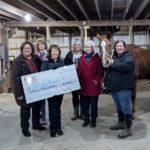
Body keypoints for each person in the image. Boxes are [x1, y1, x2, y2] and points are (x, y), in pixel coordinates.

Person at [12, 41, 46, 137]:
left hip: (37, 88)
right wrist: (19, 94)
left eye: (29, 48)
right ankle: (25, 129)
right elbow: (15, 79)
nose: (27, 50)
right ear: (22, 49)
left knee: (36, 108)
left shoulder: (36, 58)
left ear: (32, 49)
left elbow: (43, 69)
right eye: (25, 48)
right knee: (25, 110)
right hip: (24, 90)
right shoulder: (18, 61)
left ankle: (36, 124)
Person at [104, 40, 135, 138]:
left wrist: (112, 64)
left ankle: (128, 128)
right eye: (117, 46)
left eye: (121, 46)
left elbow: (126, 67)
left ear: (124, 47)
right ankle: (121, 123)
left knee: (125, 107)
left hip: (124, 87)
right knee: (119, 107)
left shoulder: (128, 56)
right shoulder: (114, 56)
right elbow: (110, 70)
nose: (119, 48)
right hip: (115, 87)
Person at [78, 40, 104, 128]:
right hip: (83, 86)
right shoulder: (81, 58)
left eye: (89, 47)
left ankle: (93, 120)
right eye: (86, 47)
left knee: (93, 105)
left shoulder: (97, 58)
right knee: (84, 105)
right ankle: (86, 119)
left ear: (92, 48)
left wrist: (96, 80)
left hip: (93, 86)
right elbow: (78, 72)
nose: (87, 49)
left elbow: (100, 71)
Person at [41, 44, 64, 137]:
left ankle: (58, 127)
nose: (55, 53)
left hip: (60, 90)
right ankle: (53, 128)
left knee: (57, 108)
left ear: (59, 53)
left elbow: (65, 74)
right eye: (53, 51)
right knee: (52, 109)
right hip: (50, 91)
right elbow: (43, 76)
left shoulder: (62, 62)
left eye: (56, 51)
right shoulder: (45, 63)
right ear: (50, 52)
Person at [64, 39, 85, 120]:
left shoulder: (84, 54)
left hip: (82, 78)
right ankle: (76, 113)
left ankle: (82, 113)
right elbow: (65, 65)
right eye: (75, 45)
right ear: (73, 46)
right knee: (75, 96)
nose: (77, 47)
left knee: (83, 96)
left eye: (78, 45)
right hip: (72, 78)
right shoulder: (69, 54)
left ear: (81, 46)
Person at [35, 40, 48, 125]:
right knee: (41, 99)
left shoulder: (48, 54)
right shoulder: (35, 55)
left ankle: (47, 116)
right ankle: (42, 117)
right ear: (38, 46)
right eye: (40, 44)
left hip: (47, 78)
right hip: (38, 79)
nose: (41, 46)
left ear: (45, 45)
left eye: (43, 44)